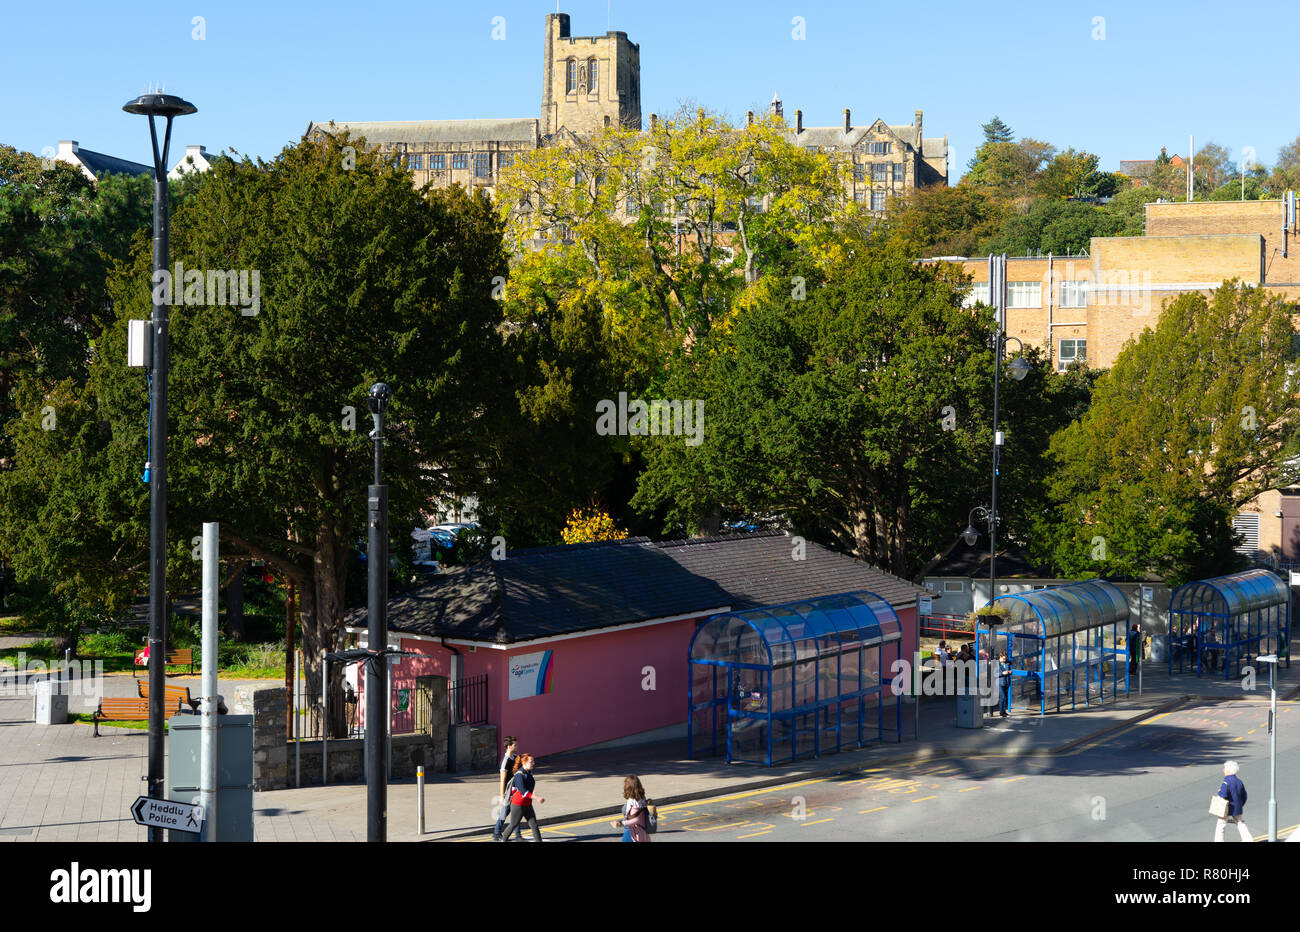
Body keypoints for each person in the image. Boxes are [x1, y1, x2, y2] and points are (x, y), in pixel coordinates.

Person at [500, 753, 545, 842]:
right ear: (524, 763)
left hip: (527, 804)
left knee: (534, 825)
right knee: (513, 824)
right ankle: (503, 840)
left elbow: (529, 788)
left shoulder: (528, 773)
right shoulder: (519, 775)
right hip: (518, 804)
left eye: (533, 761)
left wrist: (534, 793)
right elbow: (523, 791)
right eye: (531, 761)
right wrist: (536, 798)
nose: (533, 763)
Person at [493, 735, 524, 841]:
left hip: (515, 790)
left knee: (517, 811)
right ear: (509, 746)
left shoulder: (515, 758)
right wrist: (502, 796)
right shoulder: (505, 761)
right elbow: (502, 780)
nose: (517, 746)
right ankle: (497, 833)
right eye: (515, 745)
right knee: (504, 813)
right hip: (508, 792)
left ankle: (518, 835)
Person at [1214, 760, 1252, 842]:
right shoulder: (1239, 781)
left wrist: (1219, 791)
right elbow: (1244, 796)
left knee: (1221, 826)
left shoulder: (1226, 782)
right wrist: (1240, 805)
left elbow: (1222, 795)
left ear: (1228, 770)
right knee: (1240, 824)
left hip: (1226, 808)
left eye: (1224, 768)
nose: (1223, 770)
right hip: (1237, 807)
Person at [610, 775, 652, 843]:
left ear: (628, 787)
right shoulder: (642, 797)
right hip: (641, 831)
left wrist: (620, 823)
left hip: (633, 832)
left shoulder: (633, 801)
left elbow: (636, 819)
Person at [998, 652, 1012, 717]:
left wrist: (1009, 672)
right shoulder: (996, 664)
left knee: (1005, 698)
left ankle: (1004, 711)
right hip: (999, 683)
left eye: (1005, 659)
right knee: (1002, 697)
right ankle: (1001, 712)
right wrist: (1002, 673)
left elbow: (1009, 670)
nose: (1005, 660)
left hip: (1006, 682)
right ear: (1000, 657)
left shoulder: (1007, 663)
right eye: (1003, 659)